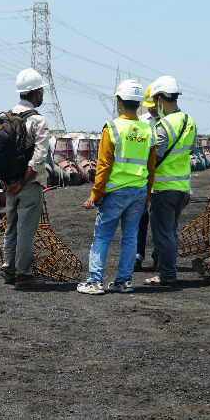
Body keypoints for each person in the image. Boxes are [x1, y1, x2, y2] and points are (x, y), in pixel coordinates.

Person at [78, 79, 156, 295]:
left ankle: (95, 281)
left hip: (115, 192)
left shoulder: (112, 128)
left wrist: (95, 194)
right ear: (139, 104)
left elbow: (103, 165)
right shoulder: (149, 131)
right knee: (130, 237)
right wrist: (147, 197)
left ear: (119, 102)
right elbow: (151, 170)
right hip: (139, 192)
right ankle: (124, 281)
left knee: (102, 237)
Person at [0, 68, 50, 289]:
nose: (42, 95)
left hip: (8, 183)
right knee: (26, 230)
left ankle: (8, 270)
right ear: (35, 92)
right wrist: (23, 180)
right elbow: (39, 157)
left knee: (10, 228)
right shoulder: (38, 120)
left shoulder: (5, 117)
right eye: (41, 92)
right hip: (29, 185)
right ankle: (23, 273)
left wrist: (7, 180)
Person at [142, 76, 194, 288]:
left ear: (162, 99)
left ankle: (167, 275)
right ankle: (168, 272)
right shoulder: (189, 121)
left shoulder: (164, 126)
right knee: (171, 232)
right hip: (182, 188)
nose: (154, 106)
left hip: (164, 189)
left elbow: (155, 158)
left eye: (155, 101)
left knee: (163, 235)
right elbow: (187, 154)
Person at [135, 83, 159, 272]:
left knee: (160, 221)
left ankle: (159, 253)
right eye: (148, 104)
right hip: (143, 179)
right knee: (141, 219)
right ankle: (138, 255)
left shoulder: (170, 122)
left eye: (154, 103)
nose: (151, 107)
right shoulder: (140, 121)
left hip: (163, 181)